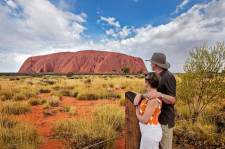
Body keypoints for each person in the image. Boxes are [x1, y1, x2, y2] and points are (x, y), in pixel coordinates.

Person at [134, 52, 176, 149]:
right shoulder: (157, 76)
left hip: (165, 120)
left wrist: (160, 95)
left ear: (156, 64)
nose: (150, 64)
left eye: (151, 62)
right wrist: (140, 95)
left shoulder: (168, 77)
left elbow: (173, 99)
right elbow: (150, 94)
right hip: (155, 121)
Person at [136, 72, 162, 149]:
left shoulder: (153, 100)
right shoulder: (151, 95)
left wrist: (137, 112)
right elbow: (143, 96)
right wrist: (139, 95)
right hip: (148, 133)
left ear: (147, 83)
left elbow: (144, 120)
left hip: (151, 134)